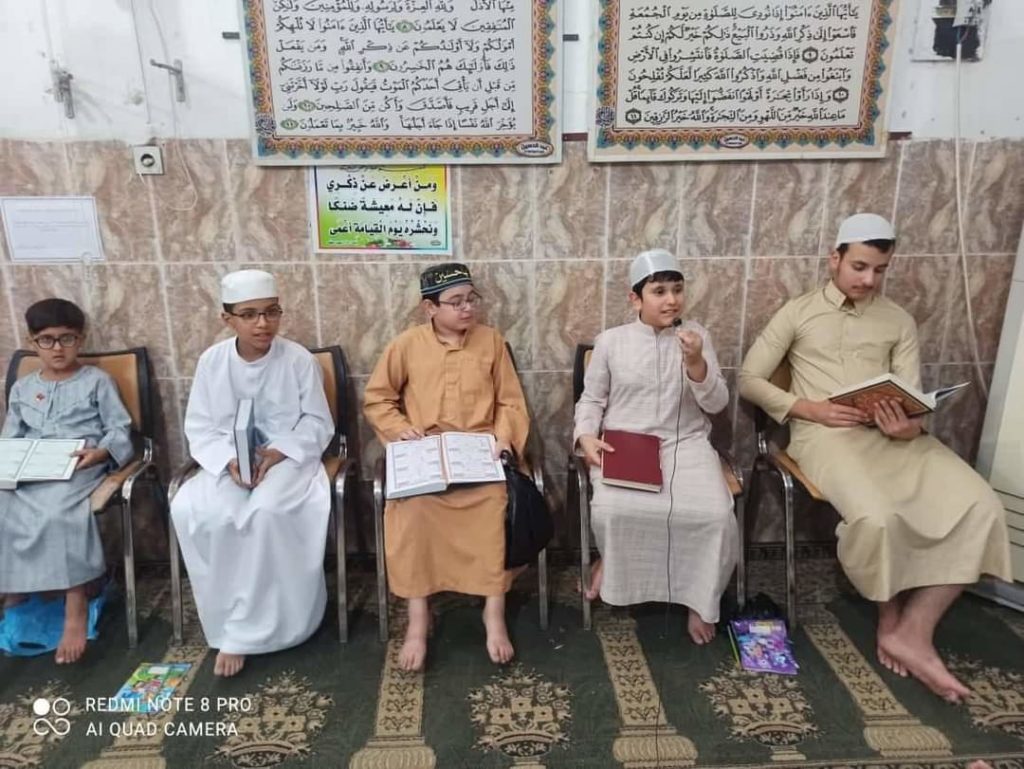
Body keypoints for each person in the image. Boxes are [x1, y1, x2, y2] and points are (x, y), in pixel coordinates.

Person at [738, 213, 1011, 702]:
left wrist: (910, 425)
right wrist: (809, 408)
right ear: (835, 259)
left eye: (879, 269)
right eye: (859, 266)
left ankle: (915, 629)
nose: (868, 279)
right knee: (879, 517)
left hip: (895, 439)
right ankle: (890, 618)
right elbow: (749, 380)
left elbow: (911, 397)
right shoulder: (798, 312)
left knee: (982, 505)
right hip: (825, 438)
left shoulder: (897, 320)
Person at [363, 263, 530, 672]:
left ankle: (493, 612)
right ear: (430, 308)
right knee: (412, 509)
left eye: (472, 299)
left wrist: (504, 438)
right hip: (427, 451)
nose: (467, 308)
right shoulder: (406, 345)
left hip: (479, 449)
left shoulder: (491, 341)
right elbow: (378, 399)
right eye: (456, 302)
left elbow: (510, 401)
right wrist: (400, 430)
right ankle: (419, 618)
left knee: (494, 502)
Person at [171, 270, 333, 677]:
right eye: (249, 315)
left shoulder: (297, 359)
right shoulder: (212, 362)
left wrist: (277, 452)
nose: (263, 324)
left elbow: (317, 422)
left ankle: (278, 623)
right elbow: (200, 427)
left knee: (266, 513)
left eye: (271, 312)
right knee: (206, 513)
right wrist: (229, 460)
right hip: (229, 461)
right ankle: (232, 623)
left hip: (287, 459)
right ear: (228, 319)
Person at [573, 249, 738, 645]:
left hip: (687, 445)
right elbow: (591, 400)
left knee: (716, 516)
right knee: (612, 511)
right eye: (659, 291)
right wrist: (585, 436)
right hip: (627, 444)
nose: (671, 300)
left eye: (677, 290)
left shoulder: (698, 337)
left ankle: (700, 601)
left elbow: (717, 404)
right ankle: (611, 562)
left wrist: (696, 363)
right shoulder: (611, 342)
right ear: (636, 299)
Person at [0, 298, 133, 663]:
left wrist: (101, 454)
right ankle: (16, 591)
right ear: (33, 342)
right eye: (47, 340)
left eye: (67, 338)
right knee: (2, 507)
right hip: (29, 468)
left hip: (78, 466)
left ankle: (75, 602)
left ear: (81, 339)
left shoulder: (97, 382)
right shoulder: (23, 388)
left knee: (58, 513)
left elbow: (119, 429)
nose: (57, 348)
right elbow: (11, 436)